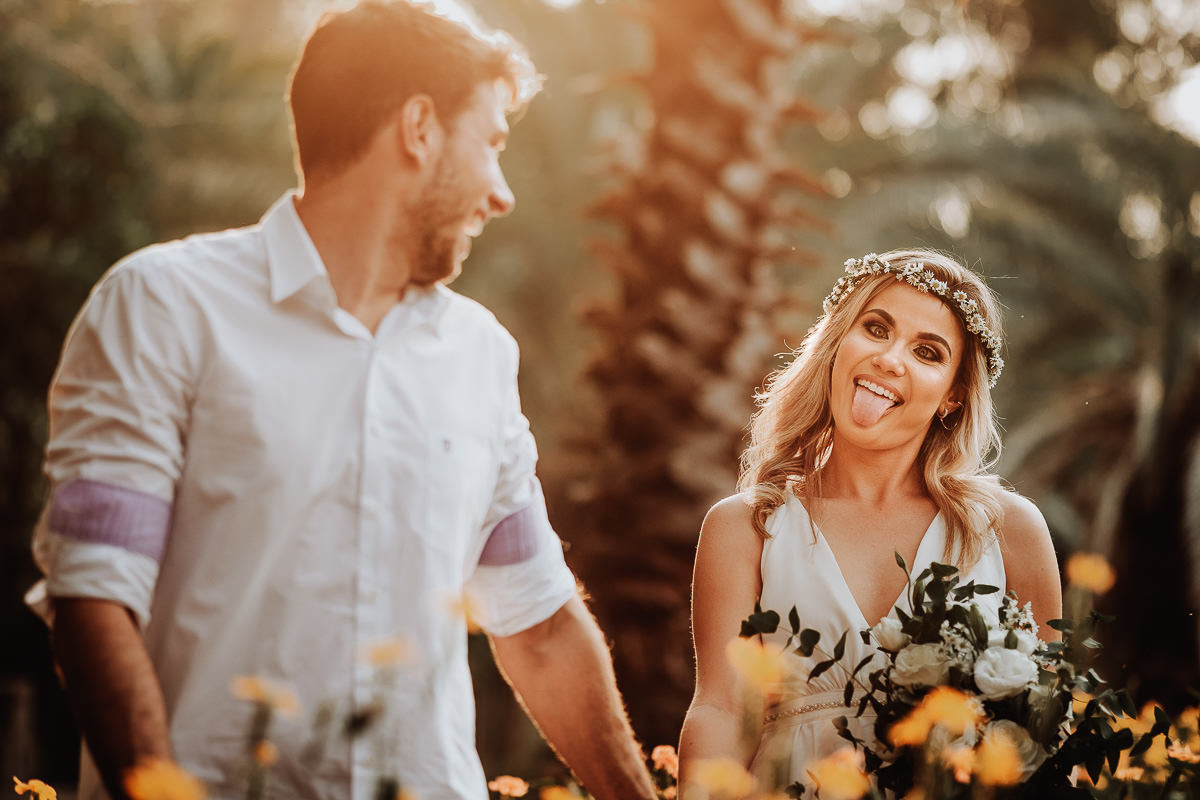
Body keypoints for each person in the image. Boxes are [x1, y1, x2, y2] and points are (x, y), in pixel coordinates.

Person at [25, 4, 657, 799]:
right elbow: (96, 596)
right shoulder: (162, 306)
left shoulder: (480, 355)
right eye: (493, 143)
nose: (503, 194)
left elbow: (539, 625)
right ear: (419, 128)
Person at [676, 249, 1062, 794]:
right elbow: (719, 708)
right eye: (876, 328)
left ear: (953, 395)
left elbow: (1046, 723)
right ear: (838, 342)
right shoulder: (746, 527)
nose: (890, 359)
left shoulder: (1007, 530)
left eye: (927, 352)